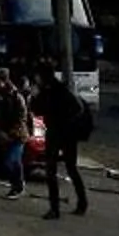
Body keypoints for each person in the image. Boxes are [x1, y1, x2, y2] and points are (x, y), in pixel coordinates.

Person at [32, 67, 90, 218]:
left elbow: (37, 109)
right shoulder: (53, 90)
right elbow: (37, 110)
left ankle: (58, 208)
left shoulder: (55, 91)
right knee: (66, 169)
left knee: (56, 170)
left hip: (60, 134)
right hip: (61, 134)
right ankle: (76, 204)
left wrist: (63, 122)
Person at [0, 68, 32, 197]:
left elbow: (22, 117)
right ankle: (17, 185)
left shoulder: (16, 96)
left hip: (17, 134)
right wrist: (0, 131)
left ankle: (17, 185)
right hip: (4, 133)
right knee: (15, 161)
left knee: (11, 160)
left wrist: (11, 132)